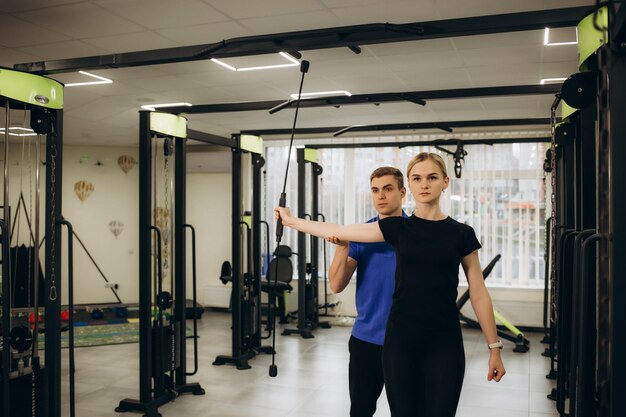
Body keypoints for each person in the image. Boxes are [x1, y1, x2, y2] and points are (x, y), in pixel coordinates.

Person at [275, 152, 505, 417]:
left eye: (432, 177)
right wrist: (292, 221)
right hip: (400, 341)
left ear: (445, 182)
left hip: (444, 341)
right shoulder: (397, 229)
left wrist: (494, 347)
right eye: (417, 178)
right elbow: (337, 230)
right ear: (411, 184)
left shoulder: (462, 234)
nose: (425, 184)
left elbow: (478, 291)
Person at [327, 166, 407, 417]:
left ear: (402, 192)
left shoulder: (416, 232)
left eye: (388, 189)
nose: (381, 196)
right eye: (375, 190)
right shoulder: (361, 235)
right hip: (366, 340)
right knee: (360, 411)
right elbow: (336, 285)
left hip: (406, 341)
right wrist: (343, 247)